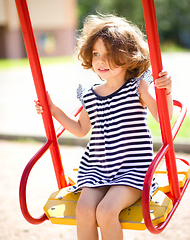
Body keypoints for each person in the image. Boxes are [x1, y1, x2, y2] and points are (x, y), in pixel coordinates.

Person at [35, 14, 172, 240]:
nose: (100, 61)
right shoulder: (91, 95)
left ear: (128, 56)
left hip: (132, 170)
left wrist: (165, 91)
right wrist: (53, 110)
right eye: (97, 54)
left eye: (109, 54)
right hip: (97, 169)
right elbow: (81, 129)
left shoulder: (138, 87)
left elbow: (162, 117)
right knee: (84, 210)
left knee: (106, 211)